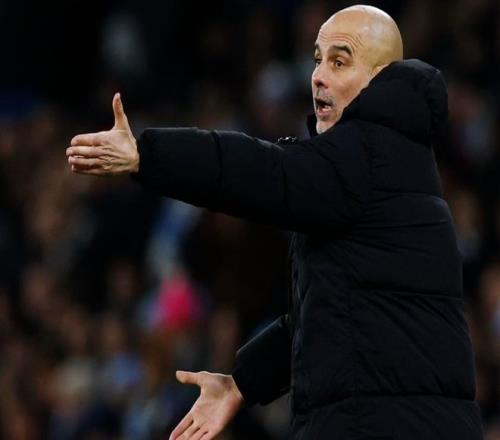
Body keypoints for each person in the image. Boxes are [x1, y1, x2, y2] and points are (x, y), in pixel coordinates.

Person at [66, 4, 485, 440]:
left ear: (379, 80)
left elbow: (262, 172)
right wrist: (243, 382)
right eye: (318, 59)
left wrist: (147, 155)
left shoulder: (366, 155)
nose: (318, 76)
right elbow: (331, 320)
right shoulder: (396, 161)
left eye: (340, 62)